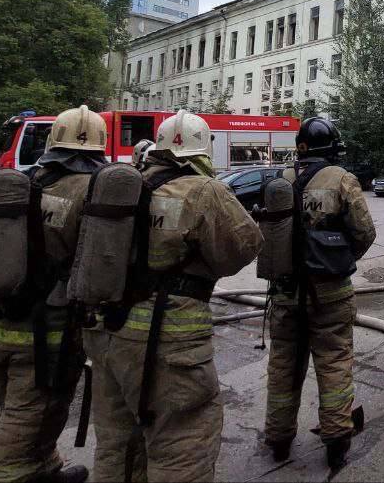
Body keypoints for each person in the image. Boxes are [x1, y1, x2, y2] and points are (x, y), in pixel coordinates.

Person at [83, 110, 260, 482]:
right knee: (182, 445)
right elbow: (242, 247)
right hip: (169, 341)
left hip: (105, 333)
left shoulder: (124, 185)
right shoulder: (204, 190)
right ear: (204, 148)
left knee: (117, 445)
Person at [0, 105, 108, 483]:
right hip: (49, 328)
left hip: (2, 316)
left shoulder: (26, 181)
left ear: (52, 142)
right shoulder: (94, 190)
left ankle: (45, 467)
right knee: (31, 412)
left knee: (17, 408)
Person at [264, 117, 376, 469]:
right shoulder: (342, 180)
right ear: (332, 148)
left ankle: (279, 439)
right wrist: (338, 259)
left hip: (283, 294)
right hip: (330, 294)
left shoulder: (280, 181)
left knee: (283, 366)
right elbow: (364, 232)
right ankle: (336, 442)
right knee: (334, 364)